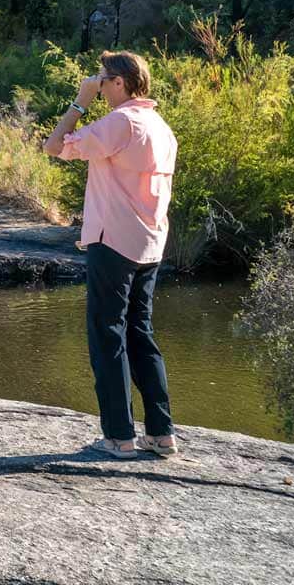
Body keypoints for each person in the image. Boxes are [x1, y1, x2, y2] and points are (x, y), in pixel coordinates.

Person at [44, 50, 180, 460]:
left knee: (107, 336)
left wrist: (78, 102)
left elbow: (53, 147)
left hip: (114, 242)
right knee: (141, 333)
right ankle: (161, 433)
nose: (97, 84)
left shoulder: (121, 121)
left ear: (119, 82)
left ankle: (120, 437)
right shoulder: (160, 125)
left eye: (101, 78)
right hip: (150, 244)